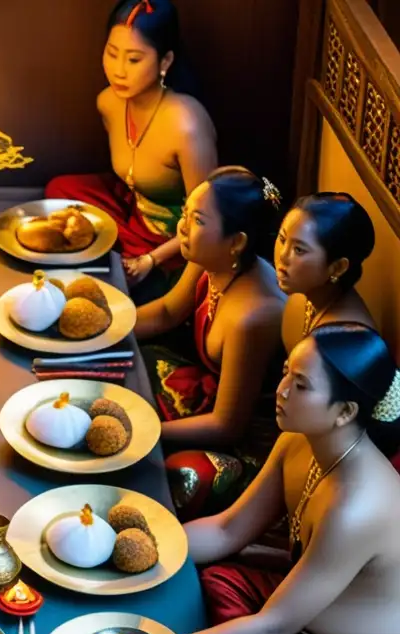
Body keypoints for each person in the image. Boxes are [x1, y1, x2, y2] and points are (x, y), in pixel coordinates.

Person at [183, 323, 400, 634]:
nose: (280, 390)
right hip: (293, 608)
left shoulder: (357, 505)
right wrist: (147, 544)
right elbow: (227, 530)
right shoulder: (295, 442)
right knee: (215, 578)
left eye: (300, 385)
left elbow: (274, 627)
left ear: (344, 411)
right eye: (285, 373)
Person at [136, 167, 285, 519]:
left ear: (237, 241)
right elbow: (167, 313)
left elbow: (227, 425)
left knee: (183, 478)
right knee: (128, 364)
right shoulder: (211, 259)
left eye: (198, 219)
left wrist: (145, 432)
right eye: (185, 213)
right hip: (206, 393)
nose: (182, 227)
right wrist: (102, 328)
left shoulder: (255, 315)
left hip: (246, 443)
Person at [45, 0, 218, 303]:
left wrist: (150, 260)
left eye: (134, 59)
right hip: (134, 215)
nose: (119, 70)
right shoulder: (108, 103)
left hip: (178, 244)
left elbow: (208, 222)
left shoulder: (186, 125)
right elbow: (130, 179)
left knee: (135, 290)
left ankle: (127, 264)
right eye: (112, 54)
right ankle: (118, 257)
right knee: (60, 190)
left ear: (165, 62)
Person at [276, 192, 377, 352]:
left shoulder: (345, 341)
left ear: (337, 267)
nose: (283, 255)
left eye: (299, 250)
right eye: (282, 239)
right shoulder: (304, 299)